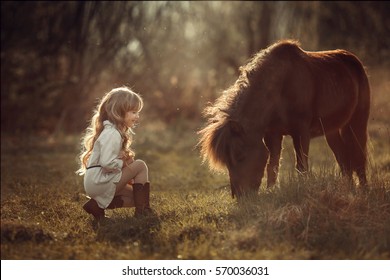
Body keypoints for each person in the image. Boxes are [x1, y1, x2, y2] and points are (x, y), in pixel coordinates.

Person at [77, 86, 154, 221]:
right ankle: (143, 212)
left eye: (138, 112)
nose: (137, 116)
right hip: (99, 181)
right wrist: (123, 162)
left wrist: (123, 163)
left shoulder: (112, 131)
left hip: (98, 182)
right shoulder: (112, 133)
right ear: (119, 112)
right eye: (134, 112)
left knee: (137, 198)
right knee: (140, 165)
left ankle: (96, 206)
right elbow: (107, 163)